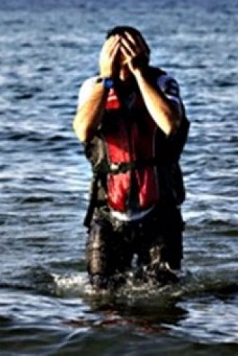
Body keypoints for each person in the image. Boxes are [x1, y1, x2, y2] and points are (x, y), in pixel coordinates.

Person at [72, 26, 189, 289]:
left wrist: (139, 73)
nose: (125, 55)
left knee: (163, 297)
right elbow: (83, 130)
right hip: (108, 212)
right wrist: (107, 78)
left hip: (159, 211)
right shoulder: (92, 88)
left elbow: (170, 123)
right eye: (117, 50)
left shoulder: (162, 83)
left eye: (132, 48)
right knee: (101, 296)